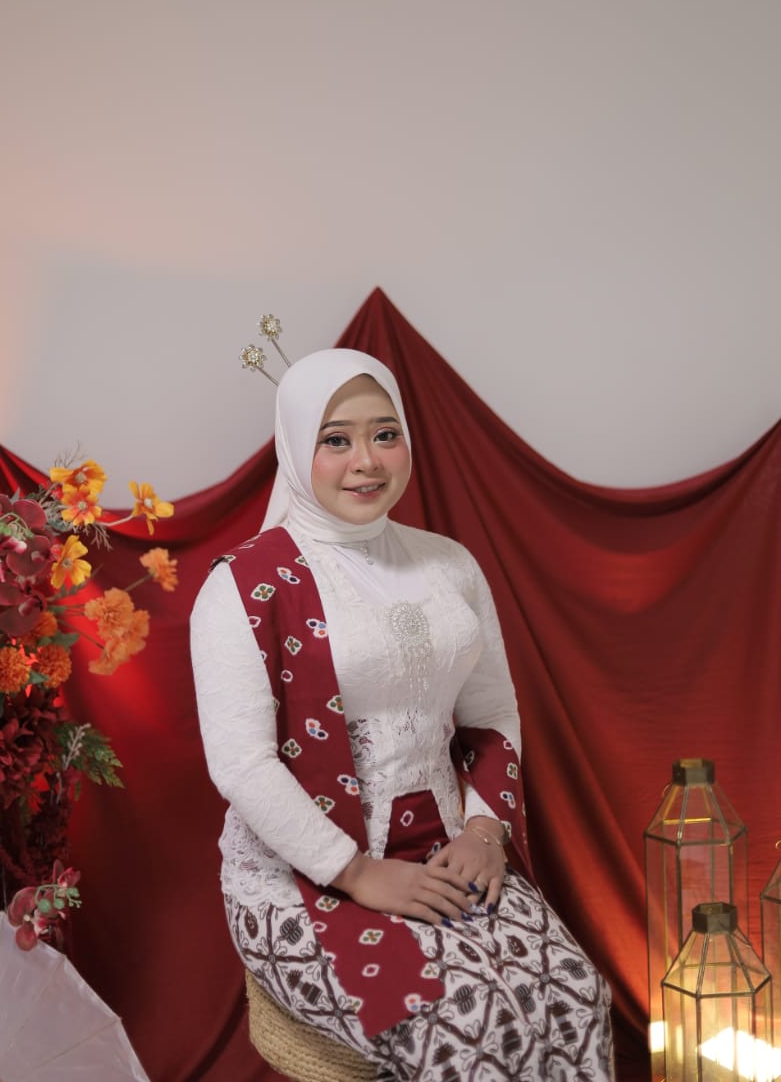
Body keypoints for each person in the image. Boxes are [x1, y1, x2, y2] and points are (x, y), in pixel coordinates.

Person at [190, 348, 613, 1080]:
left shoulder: (449, 564)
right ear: (295, 447)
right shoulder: (243, 586)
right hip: (305, 875)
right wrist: (355, 872)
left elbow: (491, 711)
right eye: (336, 439)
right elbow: (241, 765)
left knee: (576, 994)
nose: (367, 461)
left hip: (450, 848)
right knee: (463, 1024)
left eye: (385, 434)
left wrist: (484, 831)